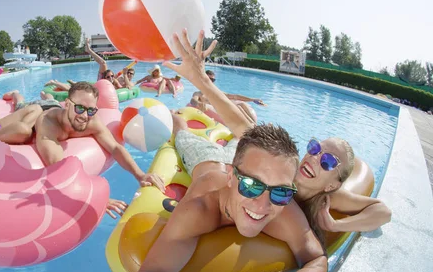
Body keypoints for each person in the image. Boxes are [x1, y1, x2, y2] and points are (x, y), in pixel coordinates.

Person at [122, 28, 335, 272]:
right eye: (251, 186)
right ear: (233, 178)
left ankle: (236, 148)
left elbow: (316, 256)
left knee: (244, 139)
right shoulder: (199, 209)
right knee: (183, 137)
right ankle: (179, 121)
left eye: (281, 192)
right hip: (205, 161)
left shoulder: (283, 208)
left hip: (243, 158)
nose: (263, 205)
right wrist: (198, 84)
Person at [166, 30, 391, 239]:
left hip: (232, 161)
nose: (313, 157)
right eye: (314, 148)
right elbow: (240, 124)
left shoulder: (329, 198)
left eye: (328, 161)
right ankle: (175, 117)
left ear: (332, 185)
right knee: (185, 137)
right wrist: (201, 80)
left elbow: (383, 211)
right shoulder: (281, 168)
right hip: (224, 165)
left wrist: (336, 226)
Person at [23, 82, 166, 218]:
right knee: (24, 111)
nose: (85, 115)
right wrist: (95, 198)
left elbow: (115, 148)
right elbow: (60, 168)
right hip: (40, 109)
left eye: (90, 110)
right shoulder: (48, 124)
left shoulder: (91, 121)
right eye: (80, 108)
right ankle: (17, 95)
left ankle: (49, 97)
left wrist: (140, 175)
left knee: (51, 99)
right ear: (67, 104)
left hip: (58, 107)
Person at [190, 70, 265, 124]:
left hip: (222, 111)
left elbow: (234, 96)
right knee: (238, 107)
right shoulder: (199, 93)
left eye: (213, 80)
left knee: (242, 104)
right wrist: (198, 103)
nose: (210, 81)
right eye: (209, 79)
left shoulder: (216, 92)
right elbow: (193, 100)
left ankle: (254, 126)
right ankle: (253, 127)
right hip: (214, 113)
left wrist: (252, 99)